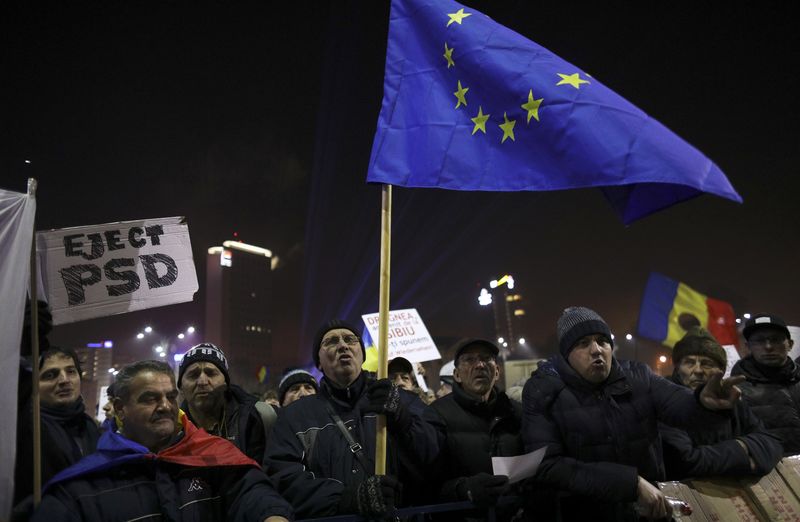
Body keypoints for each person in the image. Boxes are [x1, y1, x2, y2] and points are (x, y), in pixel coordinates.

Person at [522, 307, 745, 521]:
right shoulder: (543, 390)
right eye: (583, 343)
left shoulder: (638, 376)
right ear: (566, 354)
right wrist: (631, 484)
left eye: (602, 341)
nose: (596, 350)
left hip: (650, 514)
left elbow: (678, 403)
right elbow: (547, 466)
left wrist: (702, 403)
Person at [32, 360, 292, 522]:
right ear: (121, 409)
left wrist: (272, 514)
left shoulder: (210, 454)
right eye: (150, 398)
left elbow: (251, 492)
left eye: (170, 396)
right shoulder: (84, 485)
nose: (166, 406)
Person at [264, 319, 443, 519]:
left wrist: (404, 420)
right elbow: (283, 477)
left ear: (362, 355)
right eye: (331, 341)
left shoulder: (401, 400)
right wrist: (347, 499)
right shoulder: (295, 416)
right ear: (319, 363)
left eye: (350, 339)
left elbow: (436, 457)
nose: (343, 345)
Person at [659, 327, 782, 479]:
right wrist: (744, 450)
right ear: (677, 368)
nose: (697, 370)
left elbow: (772, 445)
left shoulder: (732, 400)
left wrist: (715, 458)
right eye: (689, 363)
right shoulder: (665, 401)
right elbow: (684, 462)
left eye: (707, 364)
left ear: (722, 370)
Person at [430, 338, 523, 519]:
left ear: (497, 371)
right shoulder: (436, 414)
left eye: (486, 358)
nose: (480, 365)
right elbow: (427, 482)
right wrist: (465, 489)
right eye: (469, 360)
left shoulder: (516, 412)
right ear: (457, 375)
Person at [14, 346, 100, 518]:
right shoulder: (24, 428)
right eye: (50, 375)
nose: (64, 380)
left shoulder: (91, 427)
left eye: (71, 372)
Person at [178, 342, 276, 464]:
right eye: (193, 375)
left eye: (211, 373)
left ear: (226, 383)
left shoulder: (254, 419)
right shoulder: (171, 429)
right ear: (181, 387)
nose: (202, 381)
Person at [731, 313, 800, 455]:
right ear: (748, 346)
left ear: (790, 344)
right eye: (759, 341)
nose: (768, 347)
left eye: (775, 340)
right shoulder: (736, 391)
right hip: (770, 475)